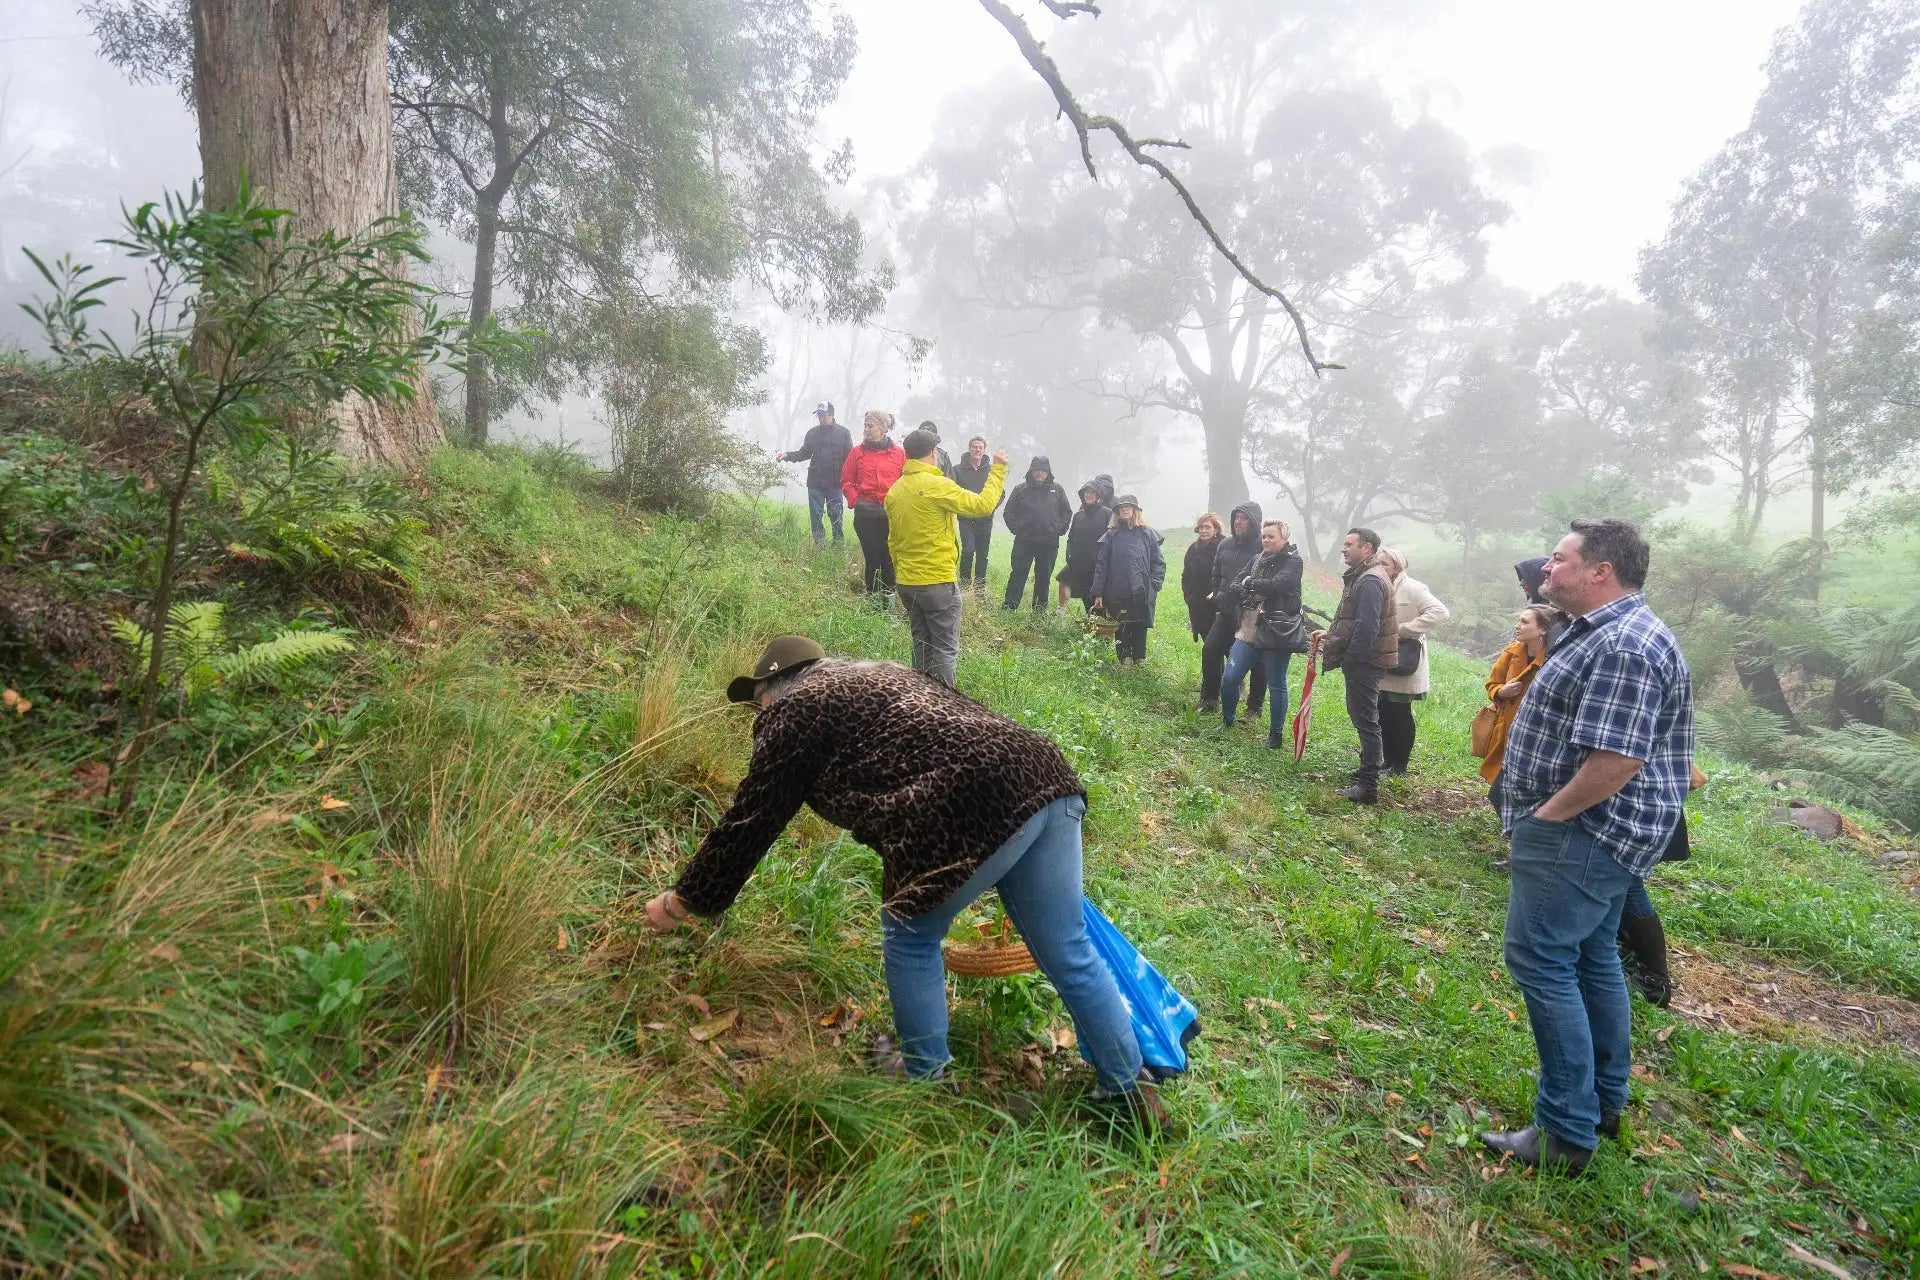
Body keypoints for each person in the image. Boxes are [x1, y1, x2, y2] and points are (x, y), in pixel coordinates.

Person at [641, 637, 1169, 1130]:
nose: (759, 715)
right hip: (1044, 774)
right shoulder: (879, 675)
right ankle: (1129, 1092)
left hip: (969, 798)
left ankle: (926, 1084)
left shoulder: (795, 709)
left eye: (757, 702)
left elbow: (752, 818)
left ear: (774, 687)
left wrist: (686, 897)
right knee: (1069, 946)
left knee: (911, 935)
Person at [1479, 518, 1693, 1176]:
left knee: (1543, 960)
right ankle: (1602, 1102)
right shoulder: (1596, 629)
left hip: (1585, 831)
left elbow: (1616, 761)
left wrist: (1545, 819)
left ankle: (1566, 1131)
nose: (1547, 569)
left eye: (1560, 560)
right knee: (1594, 956)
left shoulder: (1625, 643)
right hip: (1597, 831)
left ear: (1600, 571)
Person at [885, 428, 1009, 686]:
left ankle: (917, 700)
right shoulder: (938, 486)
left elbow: (893, 541)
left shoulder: (895, 491)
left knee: (921, 646)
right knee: (944, 649)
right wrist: (997, 469)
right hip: (937, 582)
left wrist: (901, 574)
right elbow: (983, 506)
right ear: (933, 453)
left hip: (907, 583)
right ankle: (942, 710)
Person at [1310, 528, 1395, 804]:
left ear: (1367, 549)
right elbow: (1352, 620)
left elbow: (1367, 628)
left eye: (1349, 545)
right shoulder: (1364, 576)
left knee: (1366, 721)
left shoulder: (1370, 580)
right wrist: (1332, 636)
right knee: (1364, 718)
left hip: (1365, 663)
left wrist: (1350, 659)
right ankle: (1365, 771)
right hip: (1364, 661)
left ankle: (1368, 785)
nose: (1343, 549)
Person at [1220, 520, 1304, 747]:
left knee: (1277, 683)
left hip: (1276, 633)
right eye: (1264, 536)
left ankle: (1275, 735)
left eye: (1271, 537)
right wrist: (1251, 584)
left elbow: (1278, 585)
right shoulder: (1257, 559)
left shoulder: (1293, 561)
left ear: (1284, 539)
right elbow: (1235, 584)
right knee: (1230, 678)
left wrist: (1250, 583)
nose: (1266, 540)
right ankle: (1227, 720)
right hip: (1247, 630)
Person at [1375, 549, 1450, 777]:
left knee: (1400, 713)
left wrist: (1405, 630)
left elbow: (1439, 612)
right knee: (1382, 711)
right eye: (1377, 563)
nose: (1380, 567)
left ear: (1397, 566)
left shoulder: (1413, 587)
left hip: (1405, 655)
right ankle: (1386, 759)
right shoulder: (1376, 585)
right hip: (1381, 656)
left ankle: (1400, 765)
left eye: (1385, 564)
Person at [1198, 502, 1267, 719]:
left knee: (1258, 663)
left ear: (1254, 522)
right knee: (1210, 650)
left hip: (1253, 616)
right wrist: (1218, 595)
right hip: (1226, 612)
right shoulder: (1225, 544)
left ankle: (1254, 708)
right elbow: (1216, 574)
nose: (1239, 522)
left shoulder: (1262, 546)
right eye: (1236, 518)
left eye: (1244, 518)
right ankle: (1209, 698)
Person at [1479, 604, 1559, 791]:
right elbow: (1492, 683)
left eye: (1524, 622)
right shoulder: (1512, 651)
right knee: (1499, 787)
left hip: (1533, 735)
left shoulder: (1554, 659)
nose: (1517, 626)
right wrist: (1500, 692)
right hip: (1504, 729)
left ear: (1542, 630)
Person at [1090, 496, 1165, 666]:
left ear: (1135, 510)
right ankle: (1125, 658)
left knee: (1140, 622)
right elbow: (1101, 566)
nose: (1124, 509)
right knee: (1121, 622)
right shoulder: (1111, 535)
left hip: (1143, 589)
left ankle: (1140, 658)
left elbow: (1158, 562)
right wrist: (1098, 593)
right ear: (1116, 512)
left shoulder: (1148, 533)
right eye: (1121, 507)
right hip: (1117, 588)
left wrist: (1155, 584)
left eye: (1128, 507)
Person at [842, 412, 906, 602]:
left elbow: (905, 482)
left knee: (888, 559)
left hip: (890, 514)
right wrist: (856, 500)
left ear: (883, 429)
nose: (866, 430)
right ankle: (872, 598)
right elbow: (846, 480)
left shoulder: (899, 454)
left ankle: (888, 603)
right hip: (865, 514)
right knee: (872, 559)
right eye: (865, 426)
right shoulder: (856, 452)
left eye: (871, 426)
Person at [1001, 456, 1072, 612]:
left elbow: (1067, 512)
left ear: (1048, 473)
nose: (1040, 474)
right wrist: (1018, 529)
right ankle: (1009, 606)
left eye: (1043, 471)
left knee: (1043, 577)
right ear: (1031, 471)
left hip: (1049, 543)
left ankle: (1039, 610)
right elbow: (1008, 512)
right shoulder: (1020, 489)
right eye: (1037, 470)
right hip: (1024, 542)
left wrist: (1058, 529)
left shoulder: (1057, 489)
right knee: (1018, 574)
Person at [777, 402, 852, 547]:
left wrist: (850, 480)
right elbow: (803, 453)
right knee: (816, 515)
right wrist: (786, 455)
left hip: (835, 483)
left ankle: (838, 546)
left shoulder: (844, 433)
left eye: (823, 415)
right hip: (815, 483)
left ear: (831, 415)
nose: (820, 418)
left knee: (836, 515)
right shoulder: (812, 433)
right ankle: (820, 545)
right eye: (818, 415)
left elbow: (850, 458)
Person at [953, 435, 998, 595]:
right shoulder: (957, 469)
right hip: (966, 518)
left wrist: (991, 507)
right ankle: (964, 586)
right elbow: (953, 491)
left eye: (980, 447)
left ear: (984, 450)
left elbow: (1000, 492)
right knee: (968, 550)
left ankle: (979, 589)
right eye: (974, 446)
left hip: (985, 519)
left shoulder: (991, 470)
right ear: (969, 448)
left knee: (982, 553)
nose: (977, 449)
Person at [1058, 481, 1112, 611]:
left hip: (1097, 563)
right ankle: (1061, 611)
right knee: (1063, 579)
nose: (1088, 495)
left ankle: (1094, 622)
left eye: (1092, 492)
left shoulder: (1107, 513)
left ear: (1098, 495)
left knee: (1092, 595)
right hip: (1078, 561)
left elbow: (1112, 538)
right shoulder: (1078, 515)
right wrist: (1069, 554)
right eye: (1086, 492)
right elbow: (1071, 537)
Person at [1182, 513, 1224, 643]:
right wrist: (1188, 596)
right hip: (1199, 606)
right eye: (1201, 527)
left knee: (1226, 648)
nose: (1203, 530)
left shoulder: (1225, 547)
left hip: (1219, 605)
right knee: (1209, 648)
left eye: (1207, 527)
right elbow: (1186, 575)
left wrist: (1217, 594)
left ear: (1216, 529)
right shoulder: (1192, 549)